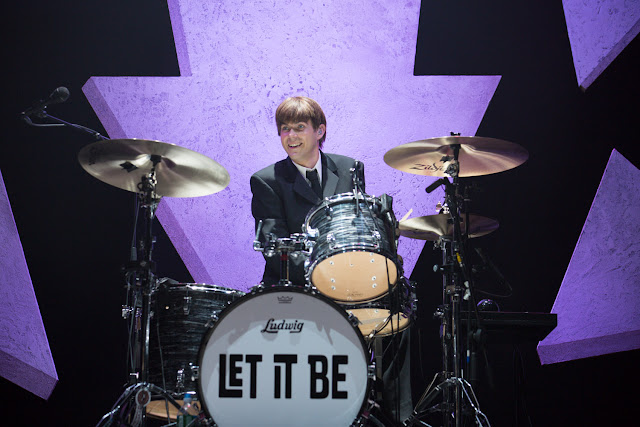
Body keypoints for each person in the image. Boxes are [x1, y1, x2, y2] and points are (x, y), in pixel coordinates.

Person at [250, 96, 361, 285]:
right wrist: (327, 275)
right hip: (292, 285)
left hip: (347, 281)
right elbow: (274, 249)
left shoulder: (350, 168)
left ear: (320, 131)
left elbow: (358, 229)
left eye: (299, 127)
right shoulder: (266, 181)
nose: (291, 135)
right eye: (285, 128)